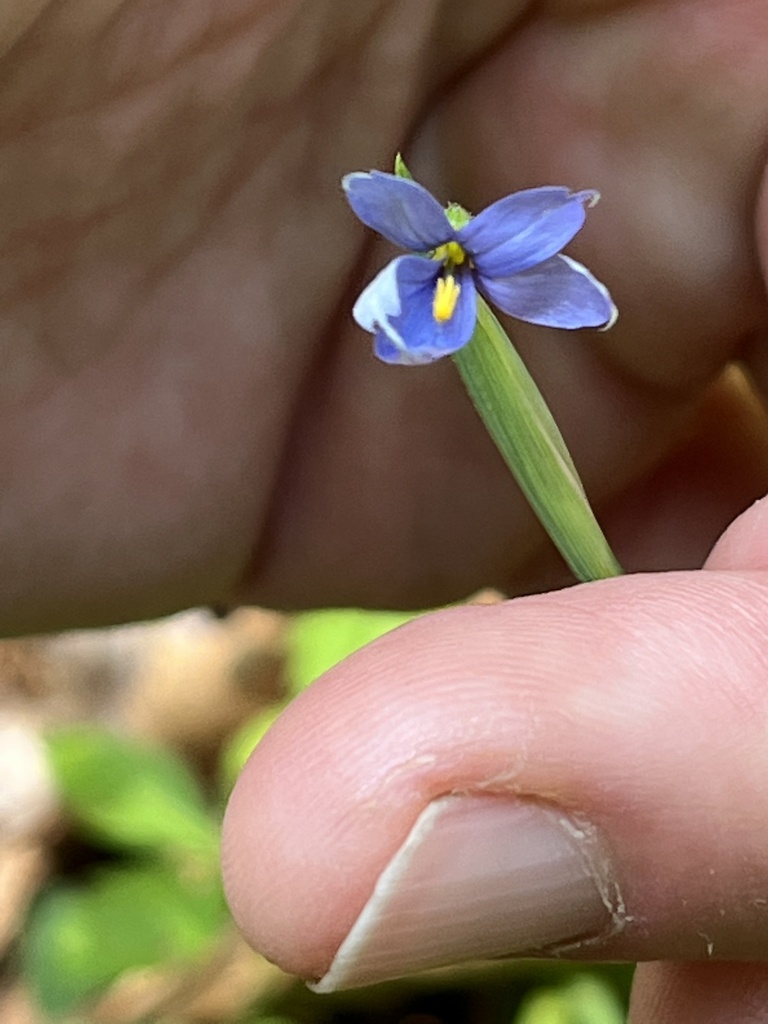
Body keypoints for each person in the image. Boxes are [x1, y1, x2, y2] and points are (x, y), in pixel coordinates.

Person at [3, 2, 768, 1020]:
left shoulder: (490, 271)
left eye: (446, 263)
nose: (443, 280)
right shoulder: (422, 266)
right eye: (439, 260)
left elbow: (570, 293)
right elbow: (424, 269)